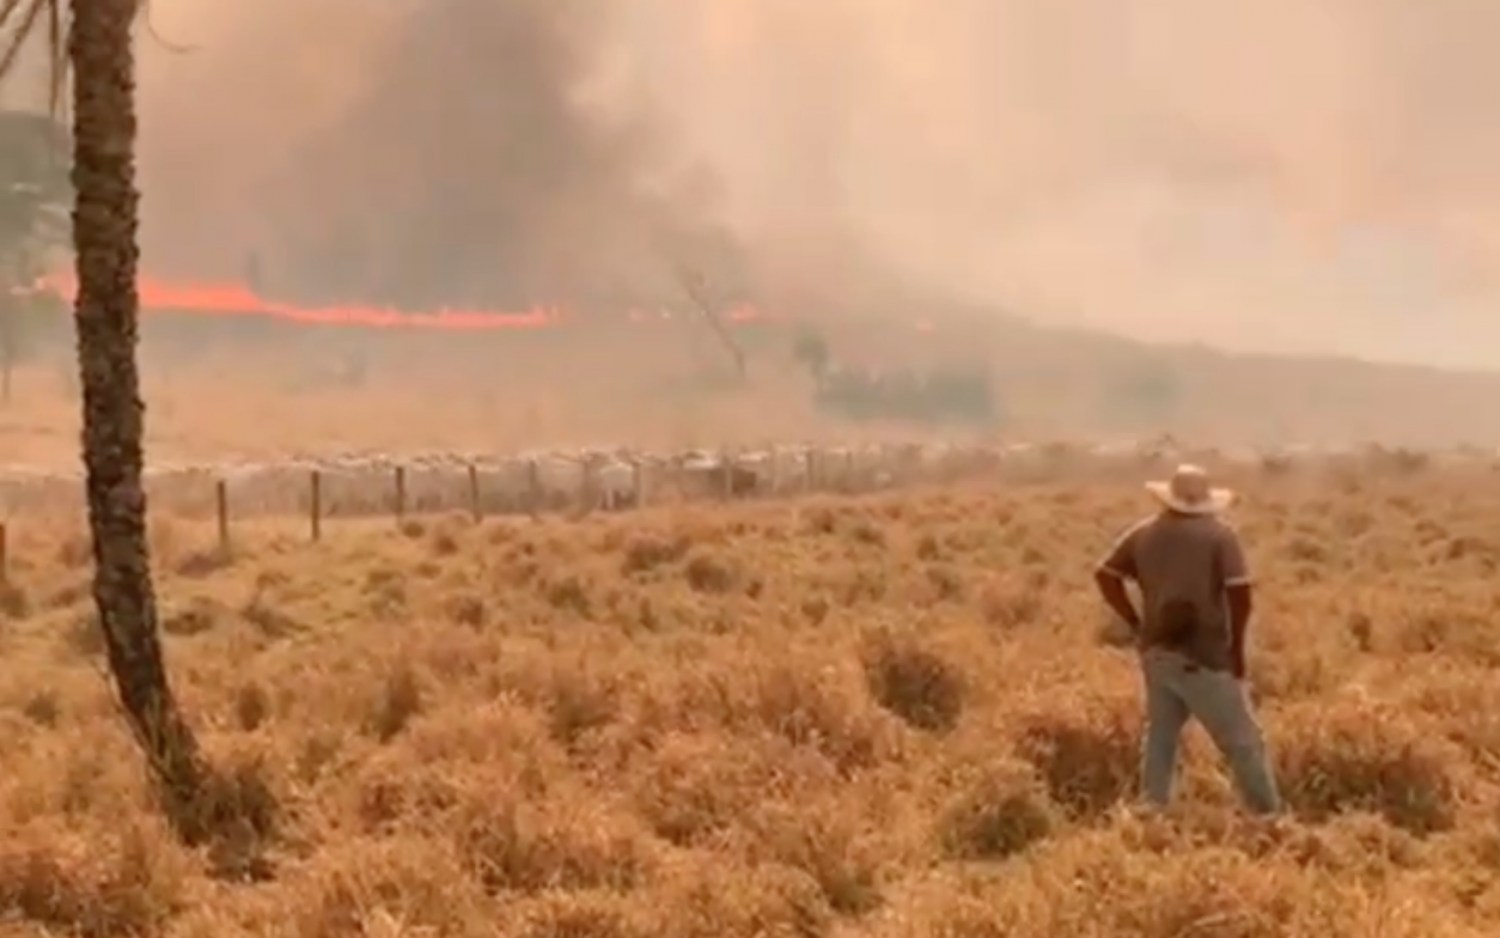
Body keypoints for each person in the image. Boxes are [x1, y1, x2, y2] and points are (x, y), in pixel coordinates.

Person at [1093, 463, 1282, 815]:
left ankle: (1152, 811)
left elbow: (1105, 575)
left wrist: (1136, 622)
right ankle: (1269, 817)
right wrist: (1237, 650)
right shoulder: (1219, 535)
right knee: (1243, 742)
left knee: (1162, 738)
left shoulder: (1144, 534)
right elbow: (1239, 594)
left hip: (1157, 651)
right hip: (1203, 653)